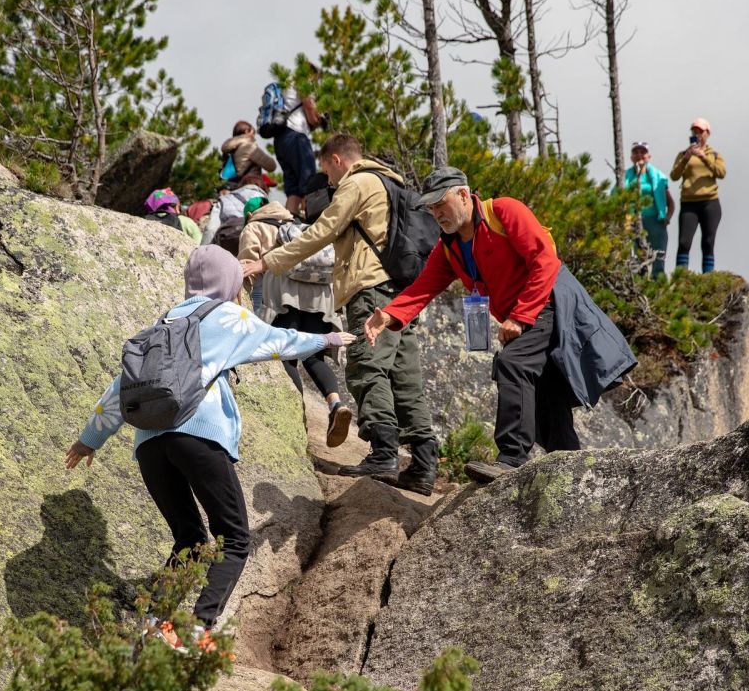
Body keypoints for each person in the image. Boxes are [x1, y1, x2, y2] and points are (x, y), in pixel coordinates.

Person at [64, 245, 355, 648]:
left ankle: (152, 629)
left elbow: (120, 388)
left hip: (150, 445)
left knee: (189, 541)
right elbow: (280, 341)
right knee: (234, 538)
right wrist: (327, 338)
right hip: (197, 435)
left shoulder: (160, 325)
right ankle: (196, 632)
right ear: (230, 281)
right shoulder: (228, 316)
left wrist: (89, 439)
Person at [364, 167, 637, 484]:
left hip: (551, 301)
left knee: (512, 363)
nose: (437, 212)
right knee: (546, 395)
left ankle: (510, 459)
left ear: (464, 195)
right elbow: (424, 287)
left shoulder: (504, 211)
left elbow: (545, 260)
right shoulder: (450, 248)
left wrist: (520, 316)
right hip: (525, 315)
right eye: (432, 207)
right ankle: (571, 471)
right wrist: (389, 314)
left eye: (442, 203)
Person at [240, 134, 439, 496]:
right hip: (401, 293)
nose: (328, 182)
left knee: (367, 367)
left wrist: (266, 262)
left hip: (370, 290)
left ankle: (382, 453)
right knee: (404, 375)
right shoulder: (390, 182)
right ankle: (424, 465)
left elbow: (321, 232)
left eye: (327, 172)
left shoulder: (358, 183)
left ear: (336, 160)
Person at [238, 195, 353, 447]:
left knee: (284, 355)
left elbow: (247, 267)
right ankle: (335, 403)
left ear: (249, 214)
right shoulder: (299, 224)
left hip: (284, 296)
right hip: (321, 297)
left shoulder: (254, 226)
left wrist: (239, 304)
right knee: (313, 355)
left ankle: (294, 417)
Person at [670, 117, 726, 273]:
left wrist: (704, 157)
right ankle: (680, 278)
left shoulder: (714, 154)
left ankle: (708, 276)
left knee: (708, 242)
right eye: (694, 131)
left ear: (707, 133)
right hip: (689, 203)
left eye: (700, 131)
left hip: (710, 202)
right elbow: (674, 176)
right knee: (684, 242)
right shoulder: (683, 154)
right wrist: (686, 158)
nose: (697, 134)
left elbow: (721, 173)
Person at [270, 78, 322, 218]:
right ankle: (311, 221)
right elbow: (310, 107)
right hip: (296, 135)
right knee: (308, 182)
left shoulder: (286, 87)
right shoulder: (302, 81)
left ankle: (286, 224)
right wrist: (318, 120)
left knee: (293, 188)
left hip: (281, 139)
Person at [623, 142, 675, 278]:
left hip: (655, 222)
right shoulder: (625, 177)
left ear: (648, 156)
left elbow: (671, 202)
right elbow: (617, 197)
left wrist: (667, 218)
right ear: (631, 157)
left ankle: (658, 286)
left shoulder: (658, 177)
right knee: (637, 258)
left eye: (643, 152)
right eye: (636, 152)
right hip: (634, 222)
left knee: (658, 256)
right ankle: (639, 285)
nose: (639, 155)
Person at [220, 120, 277, 187]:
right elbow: (271, 166)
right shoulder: (249, 147)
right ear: (247, 131)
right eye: (253, 133)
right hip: (248, 187)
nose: (254, 138)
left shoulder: (232, 147)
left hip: (232, 185)